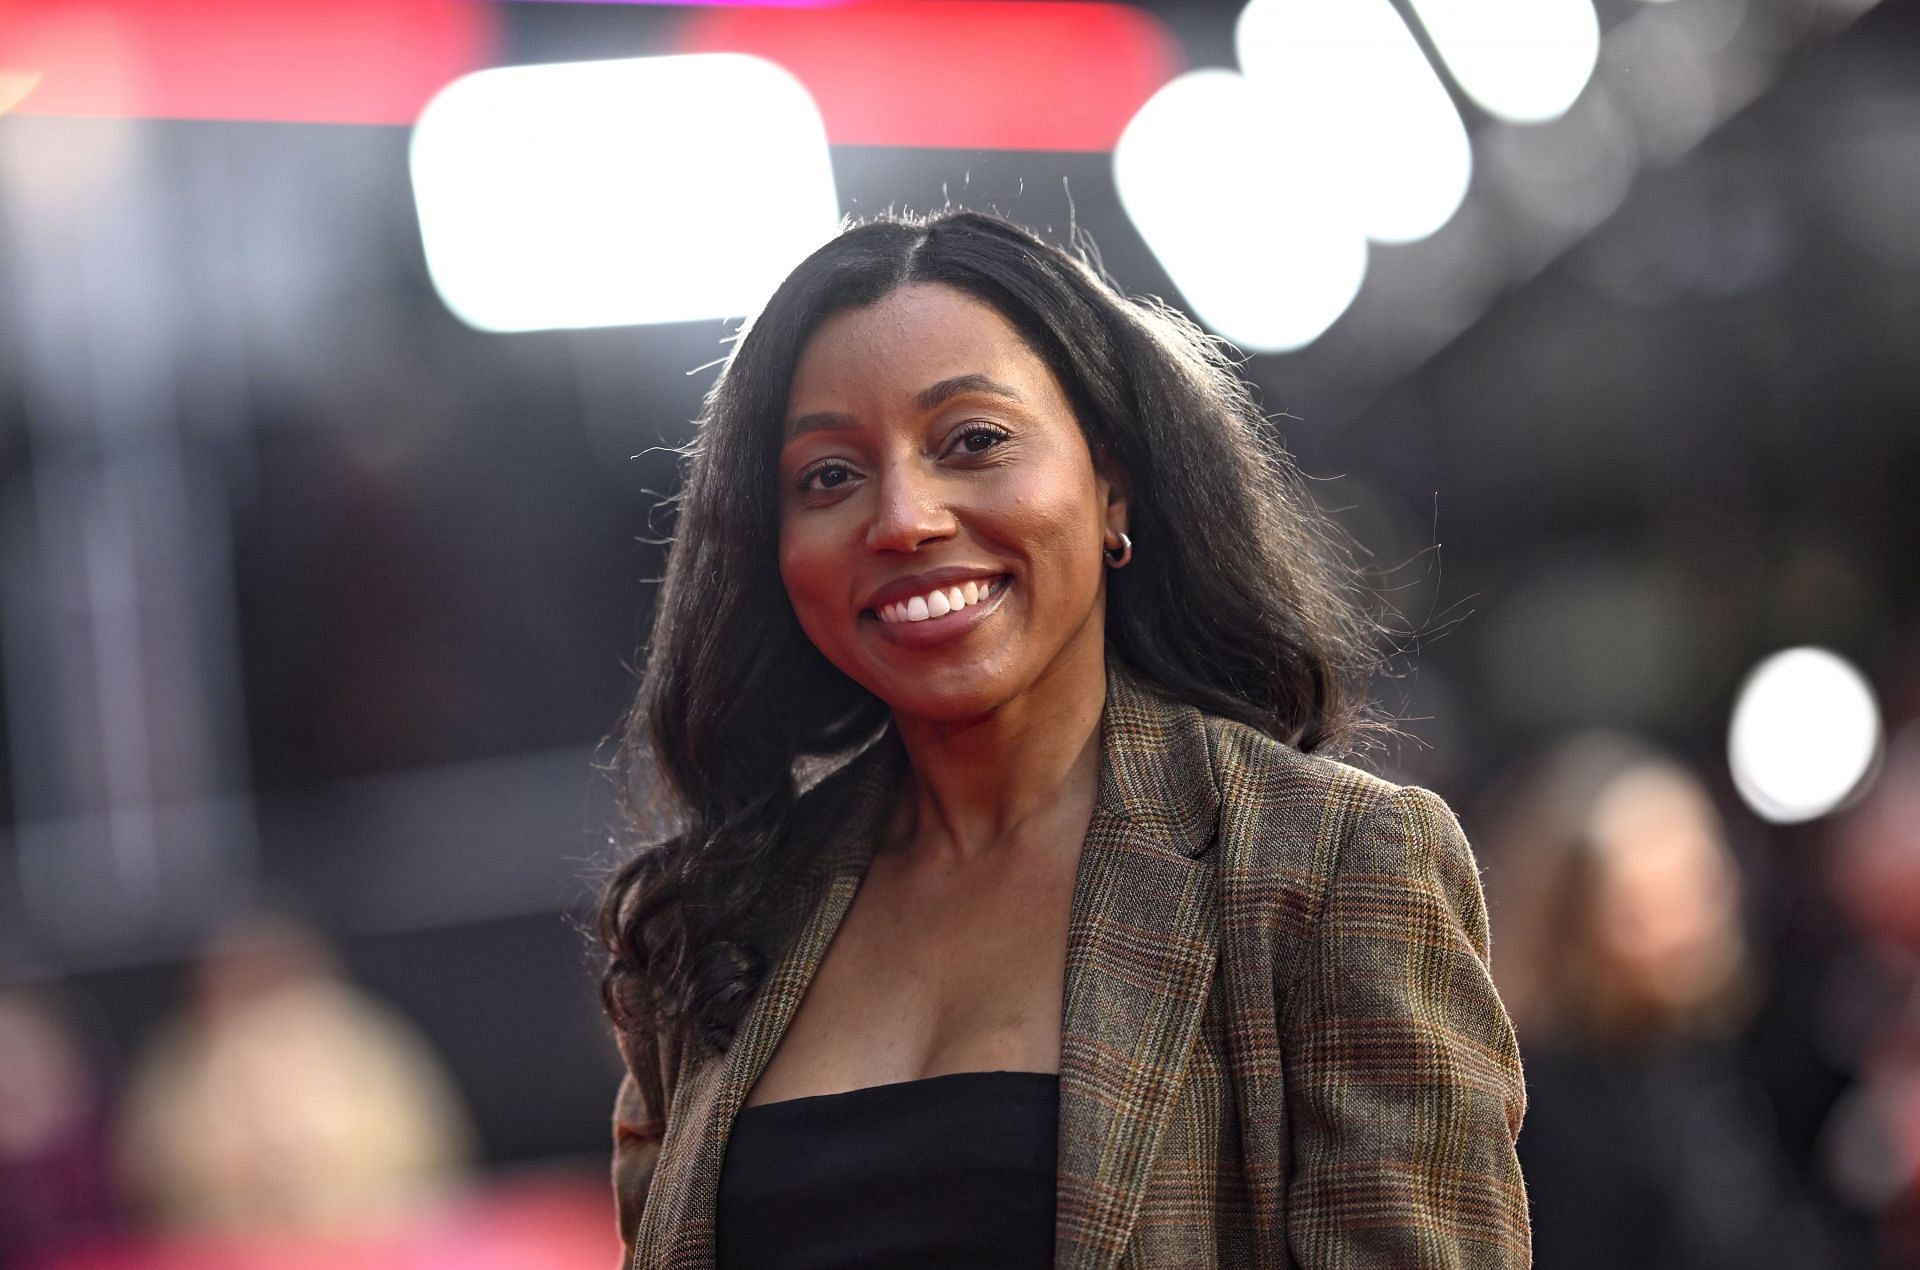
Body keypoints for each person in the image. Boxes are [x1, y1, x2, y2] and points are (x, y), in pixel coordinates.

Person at [596, 209, 1528, 1267]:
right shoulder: (714, 917)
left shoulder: (1325, 867)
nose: (903, 518)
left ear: (1111, 480)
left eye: (974, 441)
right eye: (829, 476)